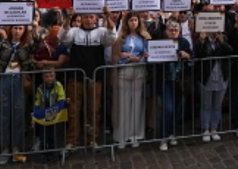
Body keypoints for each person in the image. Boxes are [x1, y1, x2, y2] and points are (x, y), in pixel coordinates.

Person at [62, 11, 116, 150]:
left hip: (95, 76)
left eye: (91, 17)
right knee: (73, 109)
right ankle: (72, 140)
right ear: (81, 18)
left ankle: (92, 139)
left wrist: (108, 17)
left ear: (96, 18)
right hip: (76, 75)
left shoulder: (101, 32)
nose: (88, 20)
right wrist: (68, 17)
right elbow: (63, 38)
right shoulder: (74, 31)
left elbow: (111, 38)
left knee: (94, 108)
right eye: (85, 17)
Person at [0, 23, 38, 164]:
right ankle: (5, 148)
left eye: (20, 28)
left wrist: (35, 28)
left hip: (20, 80)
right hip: (4, 79)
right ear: (10, 29)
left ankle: (17, 148)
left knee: (19, 114)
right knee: (3, 114)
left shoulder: (26, 44)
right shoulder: (4, 43)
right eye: (15, 28)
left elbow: (38, 44)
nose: (17, 31)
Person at [111, 12, 149, 149]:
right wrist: (124, 56)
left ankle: (135, 135)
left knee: (137, 104)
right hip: (124, 71)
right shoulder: (121, 38)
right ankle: (122, 136)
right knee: (123, 104)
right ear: (126, 22)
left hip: (139, 70)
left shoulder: (144, 37)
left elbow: (148, 53)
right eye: (131, 20)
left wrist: (139, 58)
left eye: (135, 20)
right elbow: (114, 55)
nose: (133, 22)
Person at [155, 20, 192, 151]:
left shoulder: (184, 42)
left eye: (176, 30)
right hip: (166, 81)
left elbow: (192, 57)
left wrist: (186, 55)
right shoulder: (160, 42)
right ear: (166, 31)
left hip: (180, 82)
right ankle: (163, 137)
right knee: (168, 108)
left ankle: (172, 133)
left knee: (177, 109)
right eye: (171, 30)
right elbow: (155, 59)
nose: (173, 32)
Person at [194, 28, 233, 142]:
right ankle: (206, 129)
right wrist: (201, 40)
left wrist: (221, 41)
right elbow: (199, 54)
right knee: (206, 105)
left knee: (217, 105)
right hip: (206, 77)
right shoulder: (201, 40)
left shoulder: (223, 38)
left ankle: (214, 129)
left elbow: (230, 51)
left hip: (221, 76)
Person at [31, 69, 69, 162]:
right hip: (44, 115)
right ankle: (45, 154)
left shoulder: (58, 85)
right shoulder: (40, 88)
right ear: (43, 78)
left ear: (55, 76)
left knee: (53, 134)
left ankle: (52, 153)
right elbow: (37, 101)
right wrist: (36, 110)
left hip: (54, 114)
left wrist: (61, 105)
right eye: (47, 77)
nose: (49, 79)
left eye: (51, 76)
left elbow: (61, 97)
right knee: (43, 135)